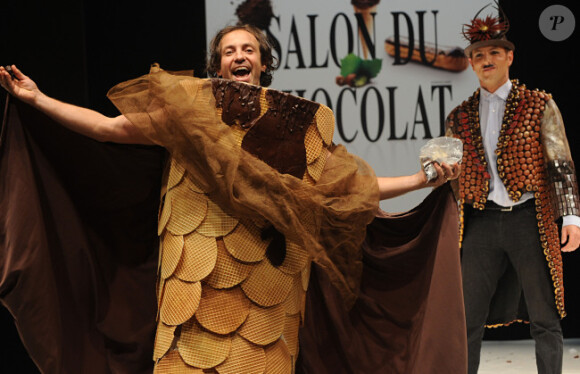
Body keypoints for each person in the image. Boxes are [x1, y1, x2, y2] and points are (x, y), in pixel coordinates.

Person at [1, 24, 462, 373]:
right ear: (216, 64)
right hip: (195, 275)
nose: (239, 56)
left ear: (263, 62)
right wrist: (38, 99)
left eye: (248, 50)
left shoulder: (297, 125)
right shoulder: (192, 108)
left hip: (272, 284)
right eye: (229, 51)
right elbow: (109, 128)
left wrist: (421, 180)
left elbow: (348, 187)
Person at [445, 6, 580, 374]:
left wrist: (569, 216)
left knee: (545, 317)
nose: (485, 60)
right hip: (481, 223)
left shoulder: (538, 105)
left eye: (493, 53)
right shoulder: (458, 116)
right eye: (478, 55)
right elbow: (451, 176)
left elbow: (559, 162)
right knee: (467, 318)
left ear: (509, 56)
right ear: (471, 63)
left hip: (529, 219)